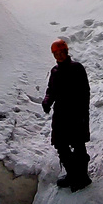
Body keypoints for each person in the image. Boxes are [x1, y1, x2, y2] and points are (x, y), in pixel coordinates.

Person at [42, 38, 91, 191]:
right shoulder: (55, 72)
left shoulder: (77, 68)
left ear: (66, 52)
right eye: (56, 54)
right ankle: (72, 175)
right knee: (61, 145)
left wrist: (83, 112)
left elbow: (85, 91)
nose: (59, 56)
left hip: (76, 114)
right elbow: (52, 90)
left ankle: (82, 177)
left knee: (78, 145)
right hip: (61, 114)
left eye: (61, 52)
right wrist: (47, 101)